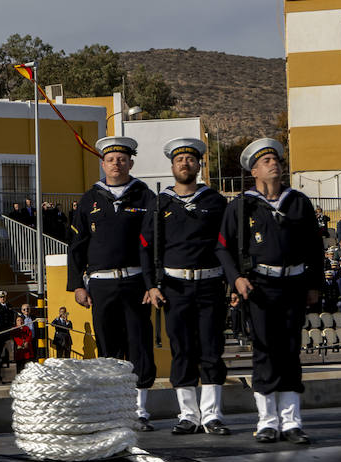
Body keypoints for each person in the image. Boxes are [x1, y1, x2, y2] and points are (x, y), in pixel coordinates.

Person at [218, 139, 325, 444]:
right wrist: (236, 279)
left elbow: (315, 247)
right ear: (254, 171)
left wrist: (314, 285)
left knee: (290, 351)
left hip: (294, 284)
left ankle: (291, 422)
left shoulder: (298, 202)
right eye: (266, 161)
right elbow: (222, 247)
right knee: (264, 351)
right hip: (260, 287)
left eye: (276, 159)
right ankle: (267, 421)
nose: (274, 163)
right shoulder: (242, 205)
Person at [67, 136, 158, 430]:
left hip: (136, 282)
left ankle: (140, 411)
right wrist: (77, 285)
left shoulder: (145, 197)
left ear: (130, 163)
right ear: (103, 164)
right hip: (101, 285)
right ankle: (113, 410)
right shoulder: (89, 199)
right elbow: (77, 245)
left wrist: (152, 283)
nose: (116, 164)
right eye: (110, 160)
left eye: (121, 159)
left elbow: (155, 244)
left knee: (139, 345)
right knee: (108, 349)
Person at [143, 138, 231, 436]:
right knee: (182, 350)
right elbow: (146, 247)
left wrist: (232, 280)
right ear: (172, 166)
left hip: (210, 284)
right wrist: (151, 285)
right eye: (180, 160)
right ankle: (188, 415)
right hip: (174, 287)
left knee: (211, 349)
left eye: (190, 159)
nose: (185, 164)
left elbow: (227, 243)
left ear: (199, 165)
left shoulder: (215, 201)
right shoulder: (160, 203)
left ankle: (212, 416)